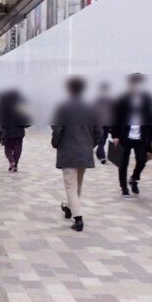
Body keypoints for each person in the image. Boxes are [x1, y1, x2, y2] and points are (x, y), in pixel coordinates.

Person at [51, 77, 102, 232]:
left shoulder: (63, 107)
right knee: (77, 184)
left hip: (68, 151)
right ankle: (69, 207)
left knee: (70, 185)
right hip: (84, 151)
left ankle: (78, 218)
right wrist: (90, 145)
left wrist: (56, 143)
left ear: (69, 89)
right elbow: (99, 131)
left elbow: (57, 129)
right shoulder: (91, 108)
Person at [111, 73, 152, 197]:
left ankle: (134, 178)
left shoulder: (148, 99)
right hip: (125, 136)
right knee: (123, 163)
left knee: (142, 161)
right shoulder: (122, 99)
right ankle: (124, 187)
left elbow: (151, 118)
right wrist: (115, 135)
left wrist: (151, 137)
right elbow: (115, 118)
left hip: (141, 137)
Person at [0, 89, 30, 172]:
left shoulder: (4, 105)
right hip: (19, 131)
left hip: (8, 131)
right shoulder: (21, 104)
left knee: (8, 148)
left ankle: (12, 161)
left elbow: (1, 118)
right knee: (17, 148)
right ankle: (16, 164)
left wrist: (2, 127)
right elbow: (26, 118)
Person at [94, 82, 114, 164]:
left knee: (103, 140)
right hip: (99, 124)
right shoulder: (97, 101)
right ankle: (101, 156)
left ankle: (99, 153)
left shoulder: (111, 101)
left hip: (107, 124)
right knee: (101, 140)